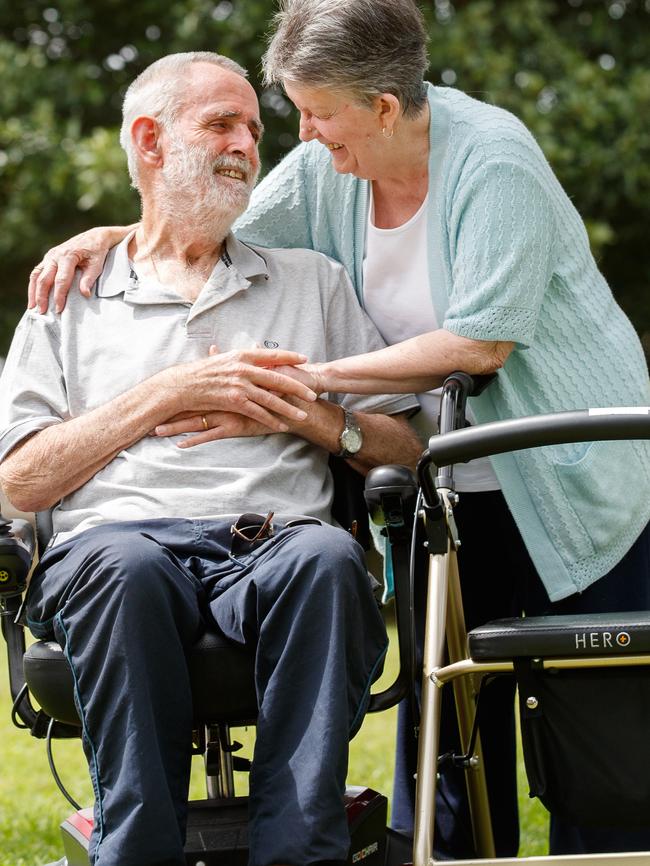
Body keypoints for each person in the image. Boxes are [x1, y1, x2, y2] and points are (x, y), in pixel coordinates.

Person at [26, 0, 650, 857]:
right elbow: (201, 217)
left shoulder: (488, 164)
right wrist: (113, 240)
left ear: (382, 108)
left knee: (593, 734)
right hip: (442, 488)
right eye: (268, 117)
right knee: (452, 730)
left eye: (306, 113)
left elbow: (480, 344)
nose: (293, 135)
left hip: (559, 468)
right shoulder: (325, 168)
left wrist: (304, 389)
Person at [0, 51, 424, 866]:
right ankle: (137, 854)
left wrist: (319, 420)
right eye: (221, 123)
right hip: (118, 547)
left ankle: (301, 853)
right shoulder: (66, 299)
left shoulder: (312, 283)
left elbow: (406, 444)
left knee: (329, 556)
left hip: (272, 542)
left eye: (254, 129)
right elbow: (20, 479)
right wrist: (164, 394)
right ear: (150, 141)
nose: (247, 144)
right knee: (124, 567)